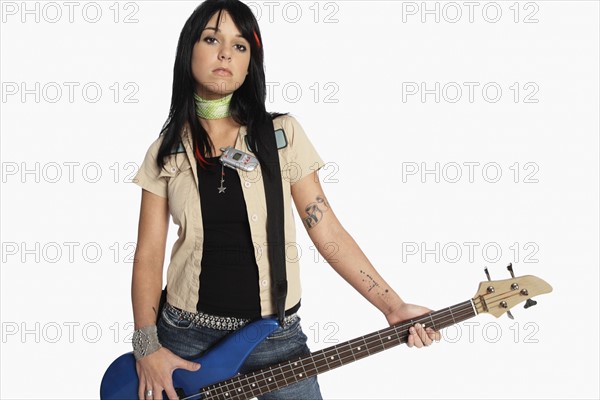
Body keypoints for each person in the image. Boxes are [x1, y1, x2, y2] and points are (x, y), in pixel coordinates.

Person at [130, 1, 441, 399]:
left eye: (240, 46)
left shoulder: (281, 136)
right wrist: (147, 347)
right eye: (212, 39)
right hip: (187, 338)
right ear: (189, 49)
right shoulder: (165, 152)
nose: (226, 52)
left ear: (250, 64)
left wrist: (392, 306)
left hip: (276, 334)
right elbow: (149, 255)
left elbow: (326, 228)